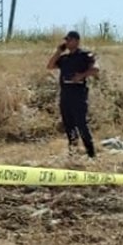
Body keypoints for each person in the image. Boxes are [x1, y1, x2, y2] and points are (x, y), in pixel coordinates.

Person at [47, 30, 100, 159]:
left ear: (76, 41)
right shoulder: (65, 58)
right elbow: (50, 66)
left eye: (69, 40)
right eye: (66, 40)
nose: (67, 42)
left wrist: (81, 75)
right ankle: (73, 152)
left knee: (81, 124)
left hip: (78, 94)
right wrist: (59, 51)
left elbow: (96, 69)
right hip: (65, 95)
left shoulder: (85, 55)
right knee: (69, 125)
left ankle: (91, 154)